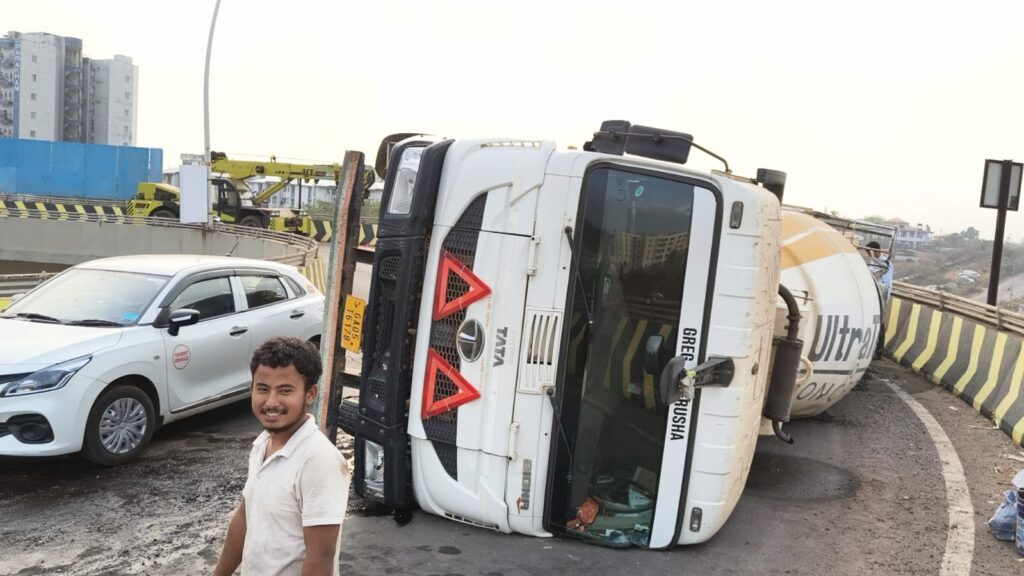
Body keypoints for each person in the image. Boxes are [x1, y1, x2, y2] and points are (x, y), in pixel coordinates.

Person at [213, 337, 349, 576]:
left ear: (310, 394)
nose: (271, 402)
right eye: (262, 389)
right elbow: (244, 519)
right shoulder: (262, 444)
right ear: (252, 389)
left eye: (285, 390)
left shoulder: (319, 461)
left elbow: (320, 559)